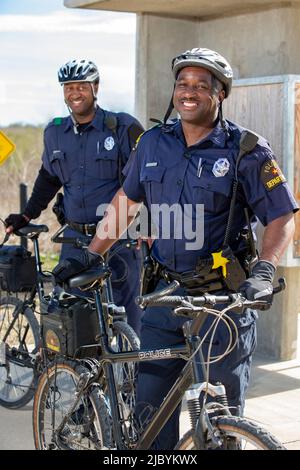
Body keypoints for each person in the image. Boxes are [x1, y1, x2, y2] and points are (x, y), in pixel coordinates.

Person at [52, 49, 298, 449]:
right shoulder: (151, 144)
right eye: (183, 84)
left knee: (220, 422)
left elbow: (282, 216)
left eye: (202, 86)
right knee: (150, 417)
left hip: (223, 306)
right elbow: (125, 203)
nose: (189, 92)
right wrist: (92, 253)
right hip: (163, 301)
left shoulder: (246, 150)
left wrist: (266, 270)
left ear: (220, 94)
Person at [5, 59, 144, 336]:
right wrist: (27, 214)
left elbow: (146, 180)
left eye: (82, 86)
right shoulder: (55, 133)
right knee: (72, 316)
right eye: (69, 87)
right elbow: (49, 178)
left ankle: (130, 376)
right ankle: (80, 376)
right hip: (74, 240)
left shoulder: (123, 127)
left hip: (118, 241)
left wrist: (151, 225)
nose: (75, 93)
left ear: (96, 88)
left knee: (125, 315)